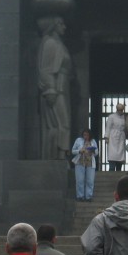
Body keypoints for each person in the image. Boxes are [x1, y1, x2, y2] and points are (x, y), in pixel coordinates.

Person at [38, 14, 73, 160]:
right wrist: (50, 89)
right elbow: (45, 69)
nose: (64, 27)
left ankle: (61, 155)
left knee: (64, 123)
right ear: (53, 25)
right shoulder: (50, 43)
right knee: (61, 123)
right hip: (55, 89)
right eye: (61, 24)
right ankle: (58, 156)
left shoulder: (59, 44)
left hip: (63, 87)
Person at [72, 129, 98, 201]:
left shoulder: (93, 141)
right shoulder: (78, 140)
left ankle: (88, 196)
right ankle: (80, 196)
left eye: (87, 135)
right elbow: (73, 151)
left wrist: (93, 151)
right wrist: (79, 151)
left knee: (90, 180)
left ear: (90, 135)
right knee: (80, 180)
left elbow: (96, 153)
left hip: (90, 162)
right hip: (80, 161)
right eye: (84, 135)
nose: (85, 136)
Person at [105, 103, 128, 172]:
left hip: (121, 136)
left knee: (120, 155)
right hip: (112, 136)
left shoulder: (124, 117)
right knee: (112, 154)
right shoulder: (111, 116)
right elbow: (108, 127)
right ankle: (111, 169)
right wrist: (106, 137)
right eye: (119, 109)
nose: (120, 111)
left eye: (121, 109)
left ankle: (119, 169)